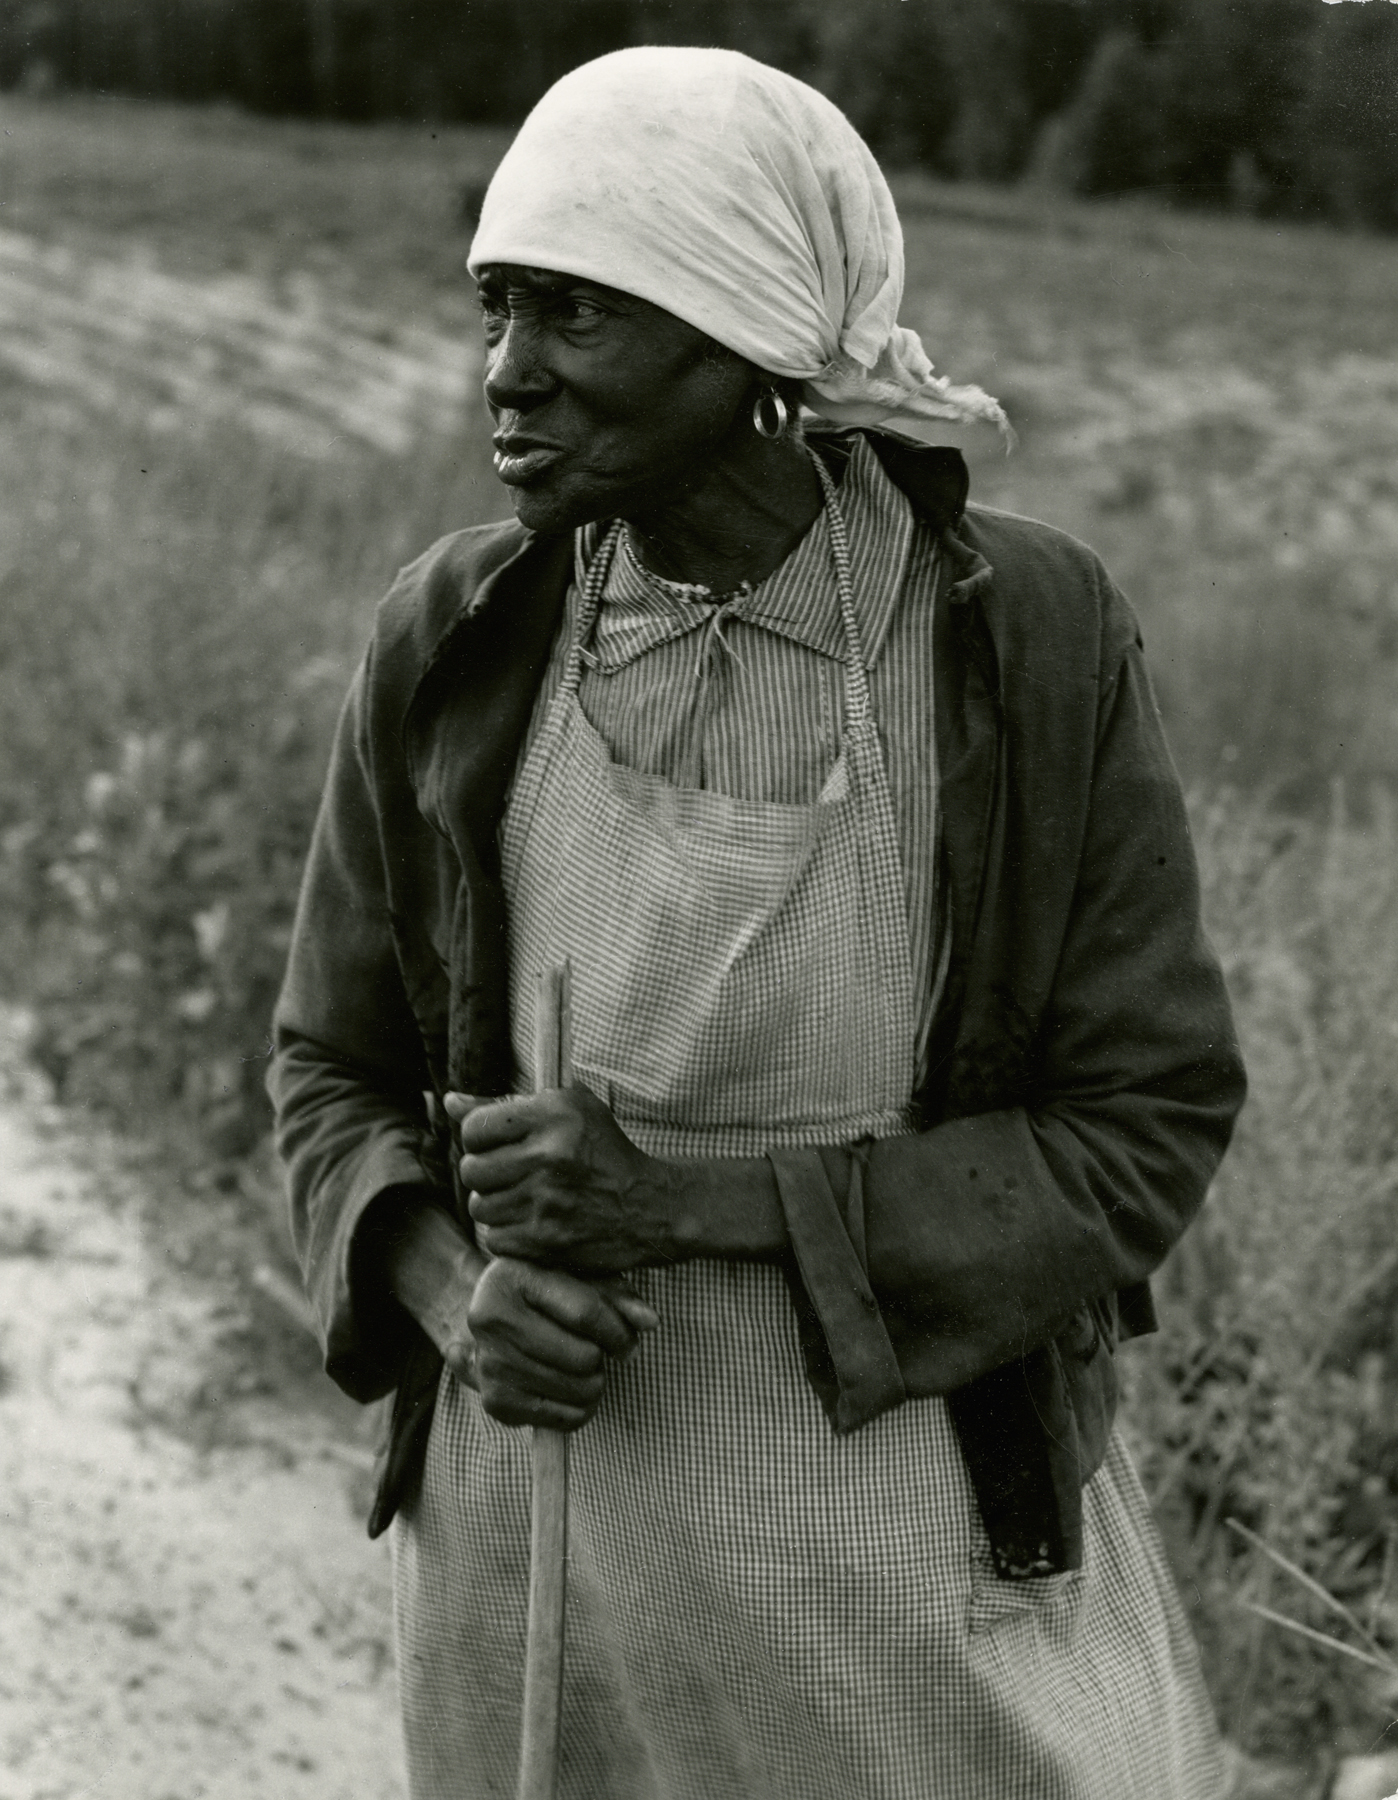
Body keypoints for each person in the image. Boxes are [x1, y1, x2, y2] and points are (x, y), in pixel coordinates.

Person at [269, 46, 1246, 1800]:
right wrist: (448, 1288)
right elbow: (328, 1067)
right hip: (539, 1552)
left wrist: (680, 1206)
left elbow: (1142, 1127)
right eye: (497, 308)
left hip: (908, 1566)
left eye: (573, 316)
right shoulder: (453, 638)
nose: (506, 377)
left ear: (741, 336)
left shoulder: (1013, 641)